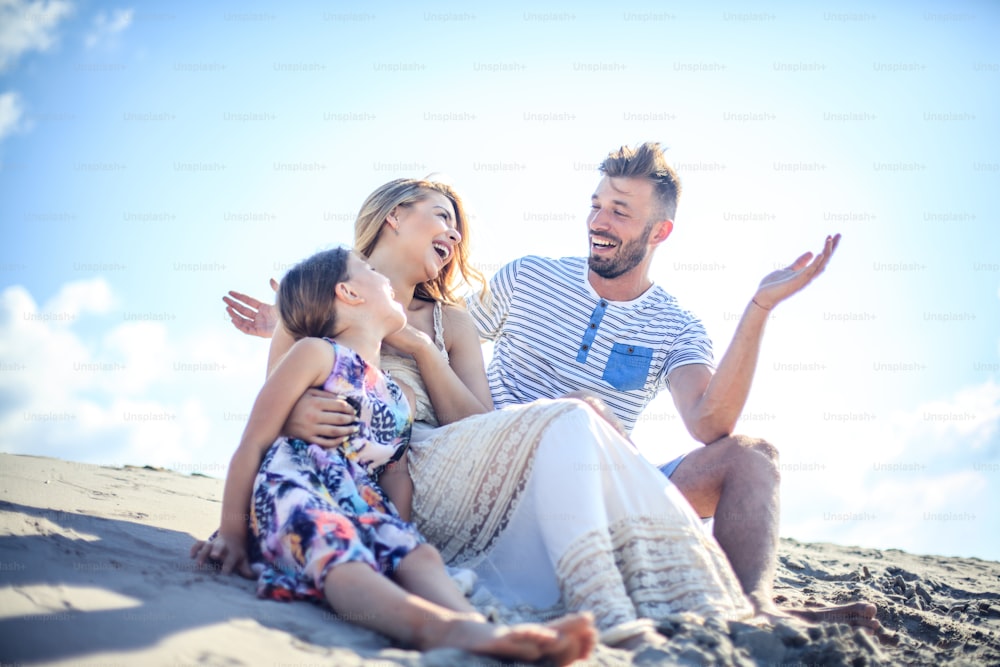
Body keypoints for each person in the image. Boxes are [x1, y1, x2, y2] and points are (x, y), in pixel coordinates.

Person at [221, 178, 756, 648]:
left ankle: (654, 593)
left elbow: (473, 420)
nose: (454, 237)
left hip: (429, 461)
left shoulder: (450, 322)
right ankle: (598, 606)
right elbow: (268, 416)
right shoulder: (314, 301)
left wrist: (426, 351)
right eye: (443, 217)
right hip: (336, 477)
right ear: (395, 215)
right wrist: (290, 422)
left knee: (579, 413)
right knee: (575, 414)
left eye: (458, 229)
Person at [192, 247, 597, 665]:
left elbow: (395, 472)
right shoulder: (315, 354)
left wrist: (396, 532)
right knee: (338, 549)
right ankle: (434, 628)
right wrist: (234, 533)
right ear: (348, 292)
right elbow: (253, 443)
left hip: (360, 500)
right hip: (296, 489)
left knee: (418, 554)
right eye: (368, 270)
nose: (382, 275)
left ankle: (477, 626)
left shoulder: (394, 394)